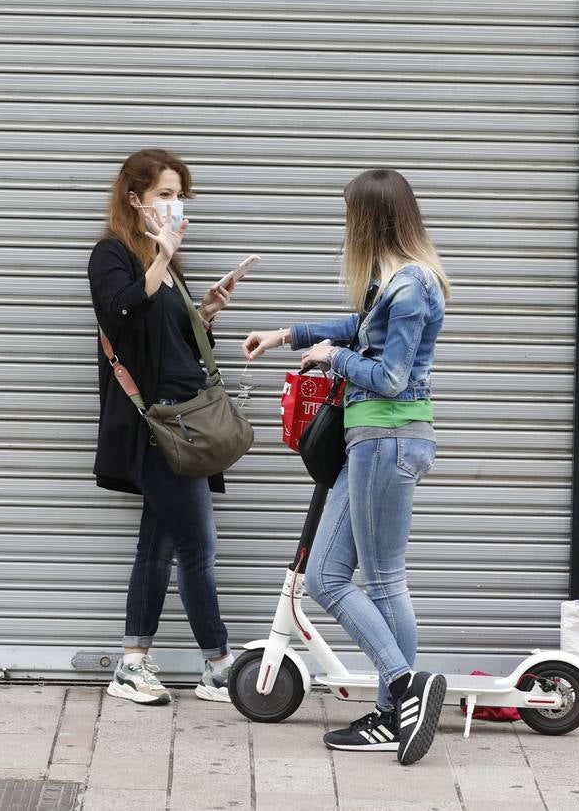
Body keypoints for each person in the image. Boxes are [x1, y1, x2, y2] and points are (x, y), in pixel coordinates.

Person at [242, 168, 451, 765]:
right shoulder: (391, 283)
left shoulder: (411, 288)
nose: (345, 227)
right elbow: (359, 328)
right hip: (368, 443)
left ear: (371, 219)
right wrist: (288, 334)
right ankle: (400, 697)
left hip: (387, 439)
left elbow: (389, 377)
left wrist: (333, 358)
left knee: (384, 580)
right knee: (329, 577)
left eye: (349, 215)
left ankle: (400, 695)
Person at [87, 148, 237, 706]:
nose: (175, 207)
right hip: (156, 424)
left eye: (180, 197)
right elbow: (121, 314)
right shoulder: (113, 256)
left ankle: (133, 662)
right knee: (198, 545)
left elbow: (170, 346)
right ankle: (219, 665)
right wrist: (161, 258)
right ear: (135, 199)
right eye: (165, 196)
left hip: (183, 421)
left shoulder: (166, 264)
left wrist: (205, 313)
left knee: (159, 545)